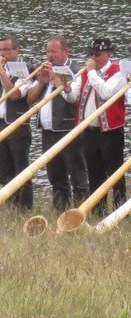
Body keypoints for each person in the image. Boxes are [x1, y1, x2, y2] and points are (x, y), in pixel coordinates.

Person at [62, 37, 126, 214]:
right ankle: (99, 213)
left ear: (108, 54)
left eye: (97, 54)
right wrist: (66, 90)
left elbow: (106, 92)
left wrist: (91, 72)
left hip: (110, 132)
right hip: (89, 131)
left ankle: (120, 213)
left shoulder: (118, 73)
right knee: (95, 174)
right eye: (91, 54)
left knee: (115, 174)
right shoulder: (86, 73)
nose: (93, 58)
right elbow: (73, 97)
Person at [26, 35, 88, 211]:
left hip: (68, 130)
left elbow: (73, 98)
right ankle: (61, 211)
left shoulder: (76, 70)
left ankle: (81, 211)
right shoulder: (45, 70)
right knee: (55, 177)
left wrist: (56, 78)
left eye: (53, 51)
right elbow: (30, 99)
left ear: (65, 52)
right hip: (48, 131)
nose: (49, 55)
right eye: (47, 51)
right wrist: (41, 82)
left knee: (77, 175)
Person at [0, 35, 33, 209]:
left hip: (17, 125)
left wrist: (2, 73)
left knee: (21, 169)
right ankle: (11, 206)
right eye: (0, 50)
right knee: (4, 170)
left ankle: (25, 208)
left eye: (6, 50)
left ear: (16, 51)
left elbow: (15, 94)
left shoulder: (26, 69)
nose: (2, 54)